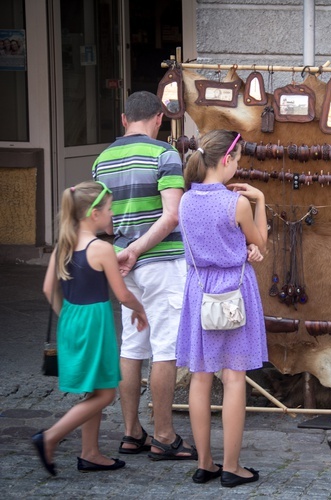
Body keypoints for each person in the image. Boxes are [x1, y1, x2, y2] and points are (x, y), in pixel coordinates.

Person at [91, 91, 196, 460]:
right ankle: (164, 435)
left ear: (124, 120)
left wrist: (124, 251)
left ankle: (131, 432)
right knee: (165, 347)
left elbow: (100, 221)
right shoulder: (165, 155)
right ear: (159, 119)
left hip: (122, 264)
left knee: (132, 348)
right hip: (160, 262)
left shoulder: (102, 161)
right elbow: (172, 215)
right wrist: (139, 248)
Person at [33, 181, 148, 476]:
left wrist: (69, 315)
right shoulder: (101, 249)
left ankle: (90, 452)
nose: (113, 215)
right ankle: (51, 438)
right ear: (94, 213)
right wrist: (140, 309)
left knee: (95, 388)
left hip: (71, 319)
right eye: (109, 209)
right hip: (95, 324)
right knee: (106, 393)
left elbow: (48, 289)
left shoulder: (63, 244)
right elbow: (121, 294)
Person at [176, 130, 269, 488]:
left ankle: (205, 463)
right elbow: (259, 240)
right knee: (233, 378)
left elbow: (210, 242)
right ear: (226, 160)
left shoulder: (186, 201)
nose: (240, 165)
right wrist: (260, 201)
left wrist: (242, 248)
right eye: (239, 158)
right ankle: (232, 466)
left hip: (199, 291)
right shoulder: (238, 203)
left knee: (200, 377)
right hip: (234, 290)